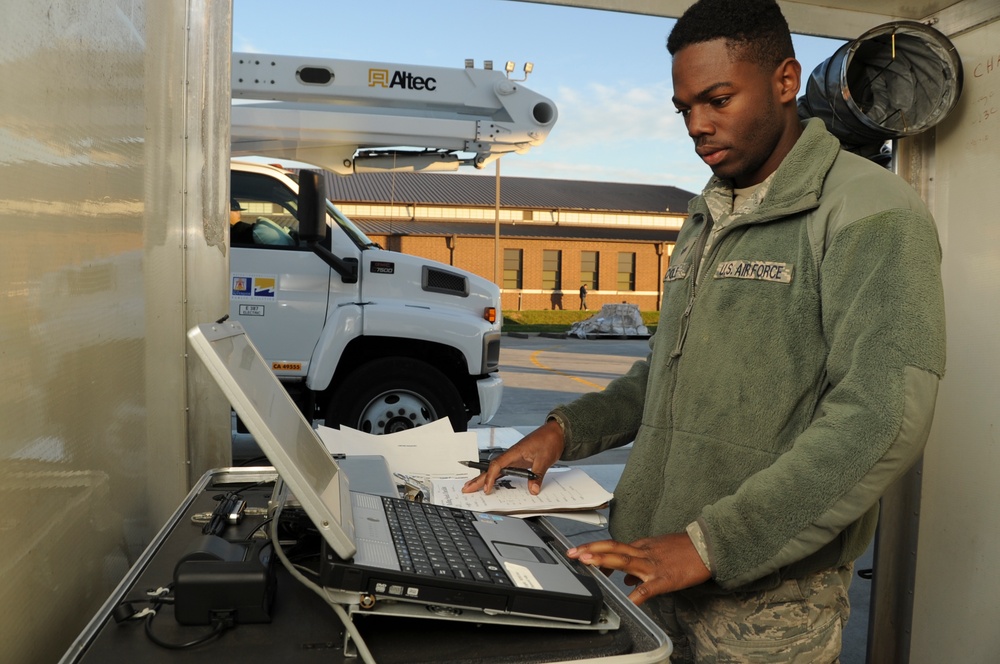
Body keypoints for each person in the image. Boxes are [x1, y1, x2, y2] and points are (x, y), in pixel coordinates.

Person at [463, 0, 946, 661]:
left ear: (784, 81)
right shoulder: (708, 213)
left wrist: (710, 544)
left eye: (717, 100)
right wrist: (564, 431)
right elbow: (664, 371)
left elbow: (882, 414)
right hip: (649, 564)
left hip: (765, 600)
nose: (697, 125)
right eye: (684, 108)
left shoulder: (870, 212)